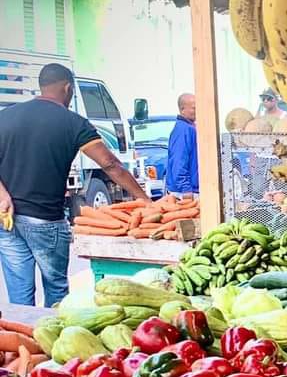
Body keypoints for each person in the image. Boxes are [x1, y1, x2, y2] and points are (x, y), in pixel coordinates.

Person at [0, 63, 145, 306]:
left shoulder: (5, 117)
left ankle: (22, 338)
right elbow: (110, 164)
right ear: (67, 88)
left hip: (8, 220)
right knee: (56, 291)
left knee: (19, 296)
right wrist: (144, 199)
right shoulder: (73, 123)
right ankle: (52, 341)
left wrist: (2, 195)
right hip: (45, 220)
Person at [166, 93, 199, 196]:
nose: (198, 111)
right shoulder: (183, 130)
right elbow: (178, 159)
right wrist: (185, 188)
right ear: (182, 109)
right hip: (185, 193)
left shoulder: (190, 127)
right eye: (194, 108)